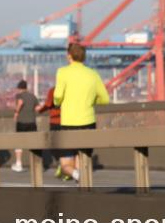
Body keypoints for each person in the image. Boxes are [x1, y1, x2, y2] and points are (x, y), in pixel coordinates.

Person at [53, 43, 110, 182]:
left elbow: (58, 96)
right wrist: (90, 102)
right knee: (82, 159)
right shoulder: (93, 74)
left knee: (65, 164)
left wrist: (57, 102)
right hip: (88, 122)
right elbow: (105, 99)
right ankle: (82, 185)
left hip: (69, 122)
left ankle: (78, 176)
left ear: (69, 55)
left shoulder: (63, 72)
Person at [11, 80, 38, 172]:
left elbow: (20, 103)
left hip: (22, 122)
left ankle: (18, 164)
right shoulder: (33, 96)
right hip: (32, 122)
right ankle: (36, 164)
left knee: (19, 142)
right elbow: (37, 108)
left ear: (19, 88)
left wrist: (16, 113)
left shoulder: (20, 95)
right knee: (34, 142)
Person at [37, 85, 61, 176]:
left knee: (54, 144)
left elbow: (48, 104)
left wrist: (40, 110)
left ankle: (62, 165)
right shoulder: (68, 89)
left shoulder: (53, 90)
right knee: (68, 145)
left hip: (55, 121)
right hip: (68, 120)